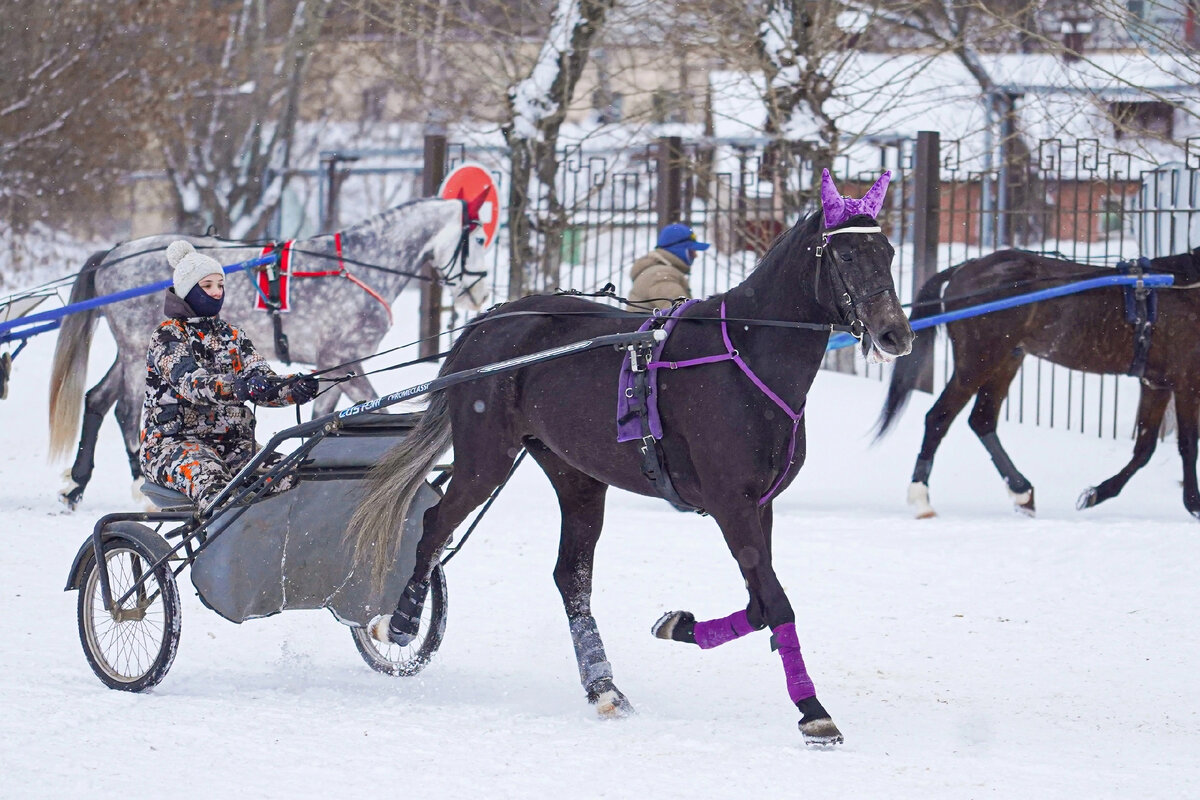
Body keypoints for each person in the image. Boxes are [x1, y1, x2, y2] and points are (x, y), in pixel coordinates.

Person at [139, 240, 319, 509]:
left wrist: (292, 389)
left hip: (235, 447)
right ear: (187, 291)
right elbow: (192, 383)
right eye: (207, 286)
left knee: (295, 479)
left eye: (220, 285)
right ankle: (224, 550)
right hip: (173, 446)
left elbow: (262, 379)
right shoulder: (168, 336)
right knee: (218, 491)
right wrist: (240, 386)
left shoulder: (233, 335)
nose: (216, 292)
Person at [626, 222, 710, 311]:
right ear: (679, 249)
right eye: (691, 251)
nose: (695, 255)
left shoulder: (659, 271)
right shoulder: (661, 275)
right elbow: (683, 315)